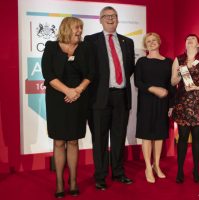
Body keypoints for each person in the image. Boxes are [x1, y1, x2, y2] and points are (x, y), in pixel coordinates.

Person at [41, 17, 94, 198]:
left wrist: (77, 90)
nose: (79, 30)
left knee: (73, 141)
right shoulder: (51, 47)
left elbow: (91, 73)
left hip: (78, 98)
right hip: (57, 99)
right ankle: (59, 183)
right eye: (76, 27)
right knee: (58, 141)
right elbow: (48, 74)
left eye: (81, 27)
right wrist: (67, 91)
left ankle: (72, 181)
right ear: (66, 28)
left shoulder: (85, 48)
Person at [84, 6, 135, 190]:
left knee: (119, 137)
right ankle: (100, 176)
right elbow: (88, 69)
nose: (111, 19)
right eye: (107, 16)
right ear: (100, 19)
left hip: (121, 96)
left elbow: (129, 68)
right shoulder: (90, 41)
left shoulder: (127, 42)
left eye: (114, 16)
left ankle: (119, 172)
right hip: (99, 97)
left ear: (118, 19)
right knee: (100, 139)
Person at [171, 34, 199, 184]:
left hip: (198, 103)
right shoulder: (178, 59)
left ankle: (196, 170)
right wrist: (179, 75)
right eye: (187, 39)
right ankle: (180, 170)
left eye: (193, 39)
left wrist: (197, 87)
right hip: (182, 103)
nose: (189, 41)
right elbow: (173, 81)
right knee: (182, 138)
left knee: (196, 138)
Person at [134, 33, 173, 183]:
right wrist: (154, 89)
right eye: (148, 41)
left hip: (162, 103)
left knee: (159, 134)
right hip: (146, 102)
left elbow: (171, 85)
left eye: (154, 40)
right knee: (146, 135)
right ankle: (147, 168)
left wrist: (170, 105)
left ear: (159, 42)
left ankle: (156, 165)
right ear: (145, 45)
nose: (151, 43)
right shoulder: (142, 62)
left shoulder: (168, 62)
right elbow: (138, 82)